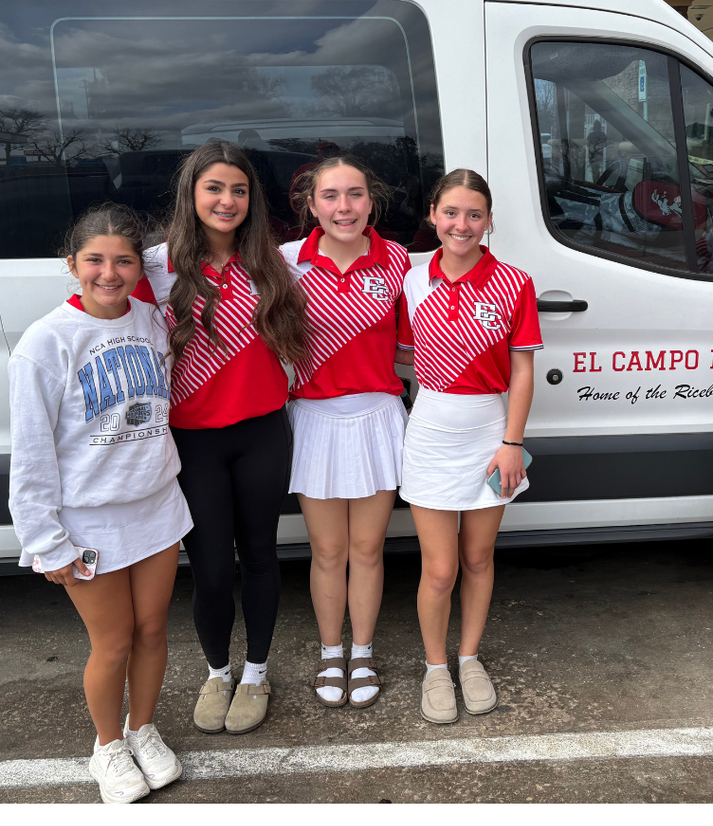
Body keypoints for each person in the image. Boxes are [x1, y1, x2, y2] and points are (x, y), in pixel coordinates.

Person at [9, 203, 191, 803]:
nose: (109, 274)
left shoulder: (152, 320)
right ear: (71, 265)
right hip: (89, 521)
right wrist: (45, 542)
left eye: (124, 260)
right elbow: (33, 454)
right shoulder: (44, 343)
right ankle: (108, 746)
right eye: (94, 260)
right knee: (111, 642)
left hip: (157, 506)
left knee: (153, 629)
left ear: (141, 267)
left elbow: (176, 256)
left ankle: (143, 728)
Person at [134, 142, 308, 735]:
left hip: (261, 432)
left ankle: (257, 673)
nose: (227, 200)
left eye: (239, 190)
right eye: (214, 188)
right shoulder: (154, 267)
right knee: (209, 567)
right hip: (191, 441)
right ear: (192, 194)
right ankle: (218, 671)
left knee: (260, 555)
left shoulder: (271, 263)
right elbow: (100, 321)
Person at [397, 169, 543, 723]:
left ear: (488, 221)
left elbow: (523, 372)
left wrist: (512, 442)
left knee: (478, 559)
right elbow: (403, 355)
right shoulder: (411, 281)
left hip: (490, 434)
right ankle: (436, 668)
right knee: (439, 570)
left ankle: (469, 657)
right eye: (451, 213)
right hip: (430, 432)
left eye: (474, 215)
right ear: (433, 215)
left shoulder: (514, 282)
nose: (462, 225)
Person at [281, 155, 410, 709]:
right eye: (330, 197)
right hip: (314, 419)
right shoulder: (287, 264)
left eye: (355, 194)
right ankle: (330, 652)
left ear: (370, 201)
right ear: (311, 206)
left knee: (368, 548)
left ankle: (362, 652)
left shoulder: (399, 261)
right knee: (329, 550)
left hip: (379, 417)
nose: (344, 207)